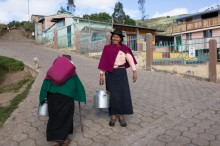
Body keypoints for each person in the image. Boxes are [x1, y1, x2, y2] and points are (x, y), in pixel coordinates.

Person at [39, 54, 86, 146]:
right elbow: (78, 86)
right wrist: (80, 96)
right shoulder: (71, 72)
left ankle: (55, 140)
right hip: (67, 97)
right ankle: (63, 139)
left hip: (52, 97)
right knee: (66, 117)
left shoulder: (51, 72)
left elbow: (45, 85)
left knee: (54, 116)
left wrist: (43, 97)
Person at [98, 28, 137, 127]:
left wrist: (134, 71)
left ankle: (122, 116)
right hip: (110, 74)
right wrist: (101, 74)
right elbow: (103, 61)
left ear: (120, 39)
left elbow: (130, 59)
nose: (115, 38)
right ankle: (113, 115)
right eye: (114, 37)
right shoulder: (107, 48)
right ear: (112, 38)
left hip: (121, 73)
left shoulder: (124, 48)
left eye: (117, 37)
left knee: (123, 94)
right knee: (112, 95)